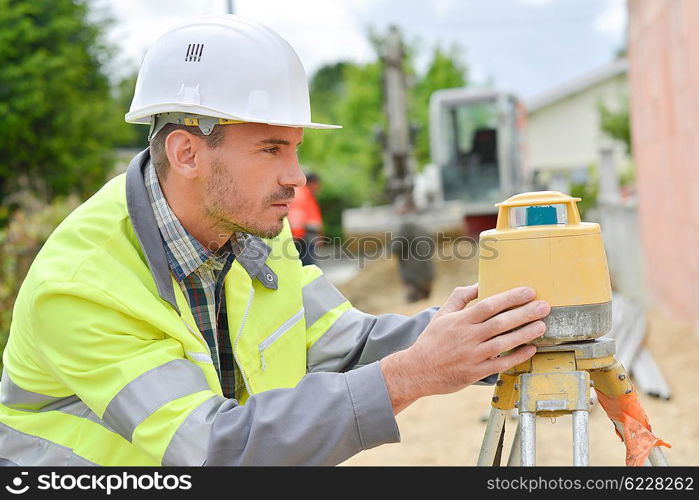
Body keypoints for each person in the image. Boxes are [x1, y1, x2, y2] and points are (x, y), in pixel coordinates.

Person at [0, 15, 550, 466]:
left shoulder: (248, 232)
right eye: (270, 149)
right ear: (187, 153)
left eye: (294, 148)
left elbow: (345, 345)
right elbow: (212, 451)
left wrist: (473, 336)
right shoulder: (82, 287)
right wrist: (412, 374)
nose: (297, 176)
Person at [391, 196, 436, 302]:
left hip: (413, 276)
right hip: (428, 273)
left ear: (405, 207)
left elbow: (395, 248)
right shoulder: (423, 225)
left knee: (414, 308)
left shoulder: (406, 225)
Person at [288, 172, 323, 266]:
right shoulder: (302, 194)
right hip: (303, 237)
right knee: (308, 266)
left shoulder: (303, 193)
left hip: (302, 236)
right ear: (313, 183)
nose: (318, 188)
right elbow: (297, 217)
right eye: (317, 185)